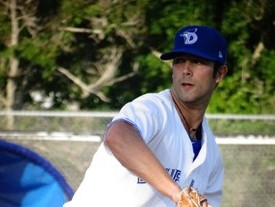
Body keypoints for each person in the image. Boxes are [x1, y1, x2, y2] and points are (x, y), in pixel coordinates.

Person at [64, 25, 228, 207]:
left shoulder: (211, 155)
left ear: (219, 74)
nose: (186, 70)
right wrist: (177, 194)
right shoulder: (154, 109)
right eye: (179, 60)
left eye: (197, 61)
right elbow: (117, 135)